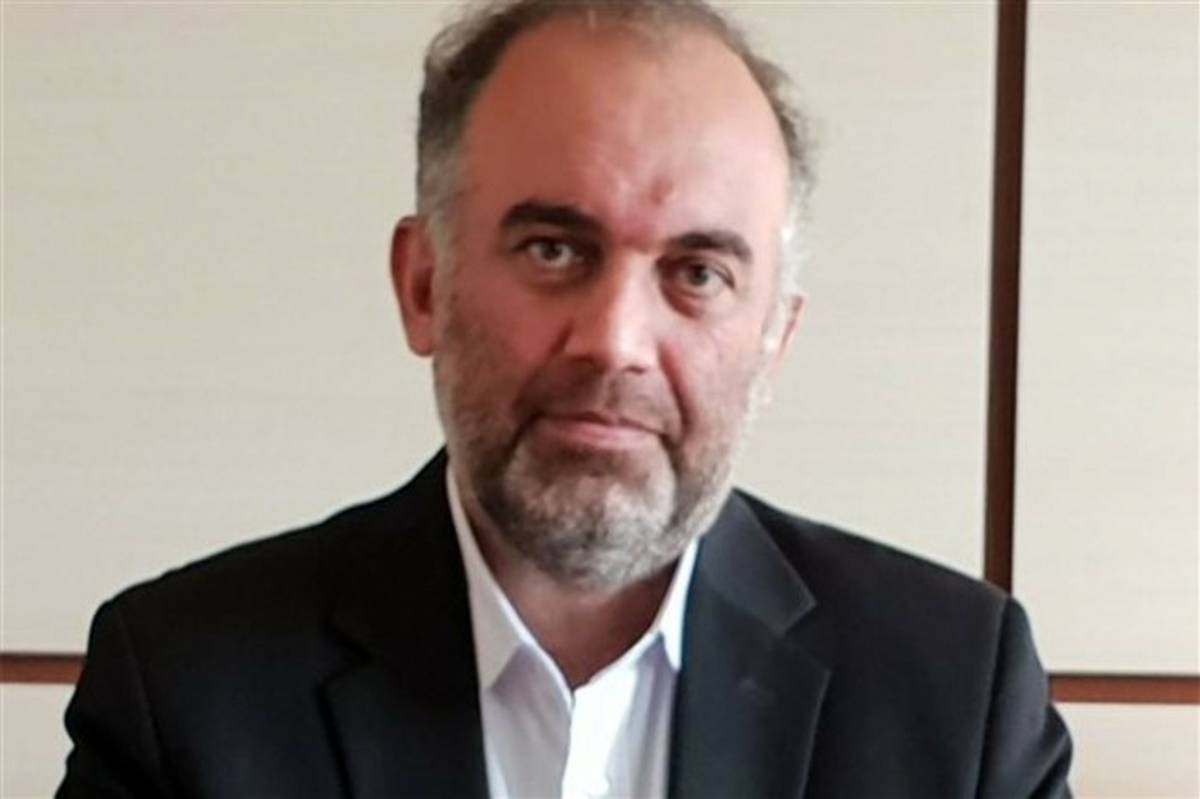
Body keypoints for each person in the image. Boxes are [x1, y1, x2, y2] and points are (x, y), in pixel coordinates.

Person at [58, 1, 1072, 797]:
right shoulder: (184, 689)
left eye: (698, 273)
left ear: (773, 340)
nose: (615, 342)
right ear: (424, 285)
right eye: (554, 250)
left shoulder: (956, 695)